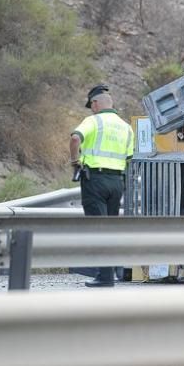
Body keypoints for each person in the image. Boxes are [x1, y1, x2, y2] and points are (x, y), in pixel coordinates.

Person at [69, 84, 135, 287]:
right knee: (111, 227)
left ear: (96, 104)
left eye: (91, 105)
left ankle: (105, 277)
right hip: (117, 182)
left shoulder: (93, 121)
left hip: (95, 180)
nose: (91, 108)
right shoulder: (126, 127)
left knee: (98, 228)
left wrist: (75, 161)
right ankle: (110, 271)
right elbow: (130, 158)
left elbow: (74, 138)